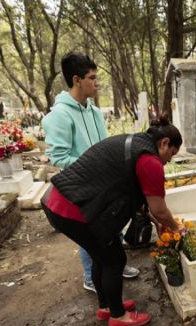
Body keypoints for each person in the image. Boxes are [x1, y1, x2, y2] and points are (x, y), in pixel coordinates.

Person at [41, 117, 185, 326]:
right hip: (74, 210)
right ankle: (118, 316)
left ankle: (107, 307)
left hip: (59, 202)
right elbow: (160, 209)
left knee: (101, 258)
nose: (169, 161)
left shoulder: (135, 143)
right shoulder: (150, 160)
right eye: (171, 154)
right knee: (114, 260)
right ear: (164, 143)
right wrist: (176, 228)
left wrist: (154, 219)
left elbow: (136, 191)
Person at [42, 52, 140, 293]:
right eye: (92, 78)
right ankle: (89, 275)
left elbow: (104, 147)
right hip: (80, 186)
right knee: (90, 232)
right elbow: (59, 156)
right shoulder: (59, 116)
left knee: (112, 222)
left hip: (104, 183)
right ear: (77, 80)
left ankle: (116, 264)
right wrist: (93, 170)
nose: (96, 83)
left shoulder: (95, 112)